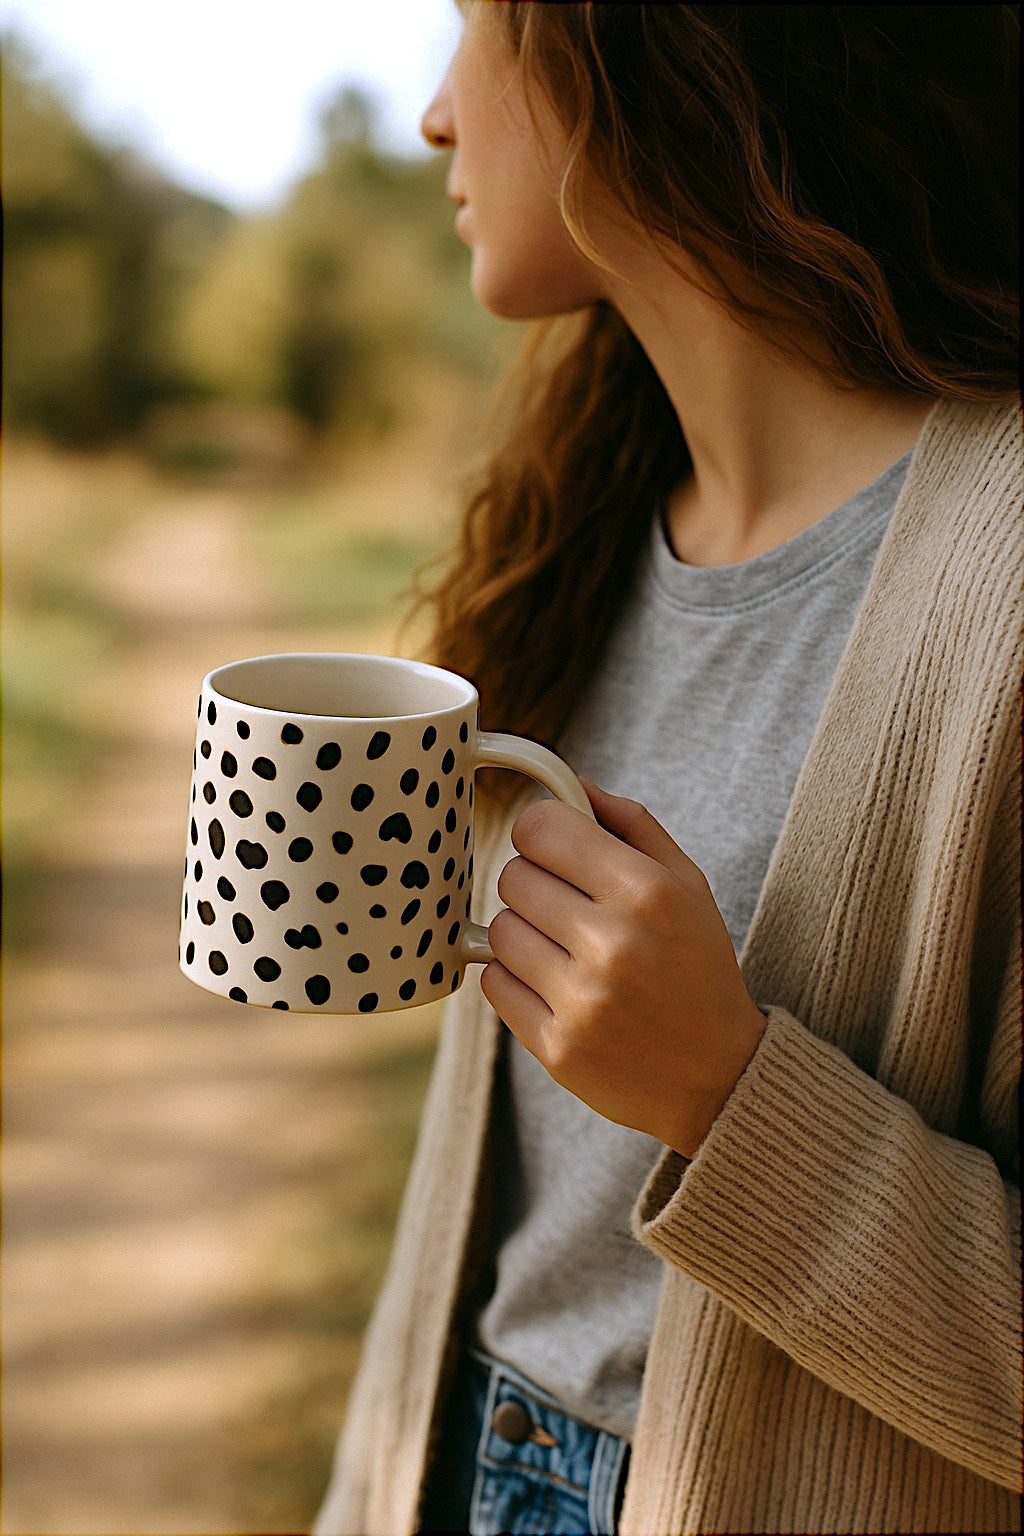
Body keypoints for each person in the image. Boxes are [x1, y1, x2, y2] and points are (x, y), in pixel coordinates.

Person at [314, 5, 1021, 1533]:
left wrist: (730, 1093)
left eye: (467, 31)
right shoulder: (580, 521)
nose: (436, 119)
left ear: (625, 45)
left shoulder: (1007, 580)